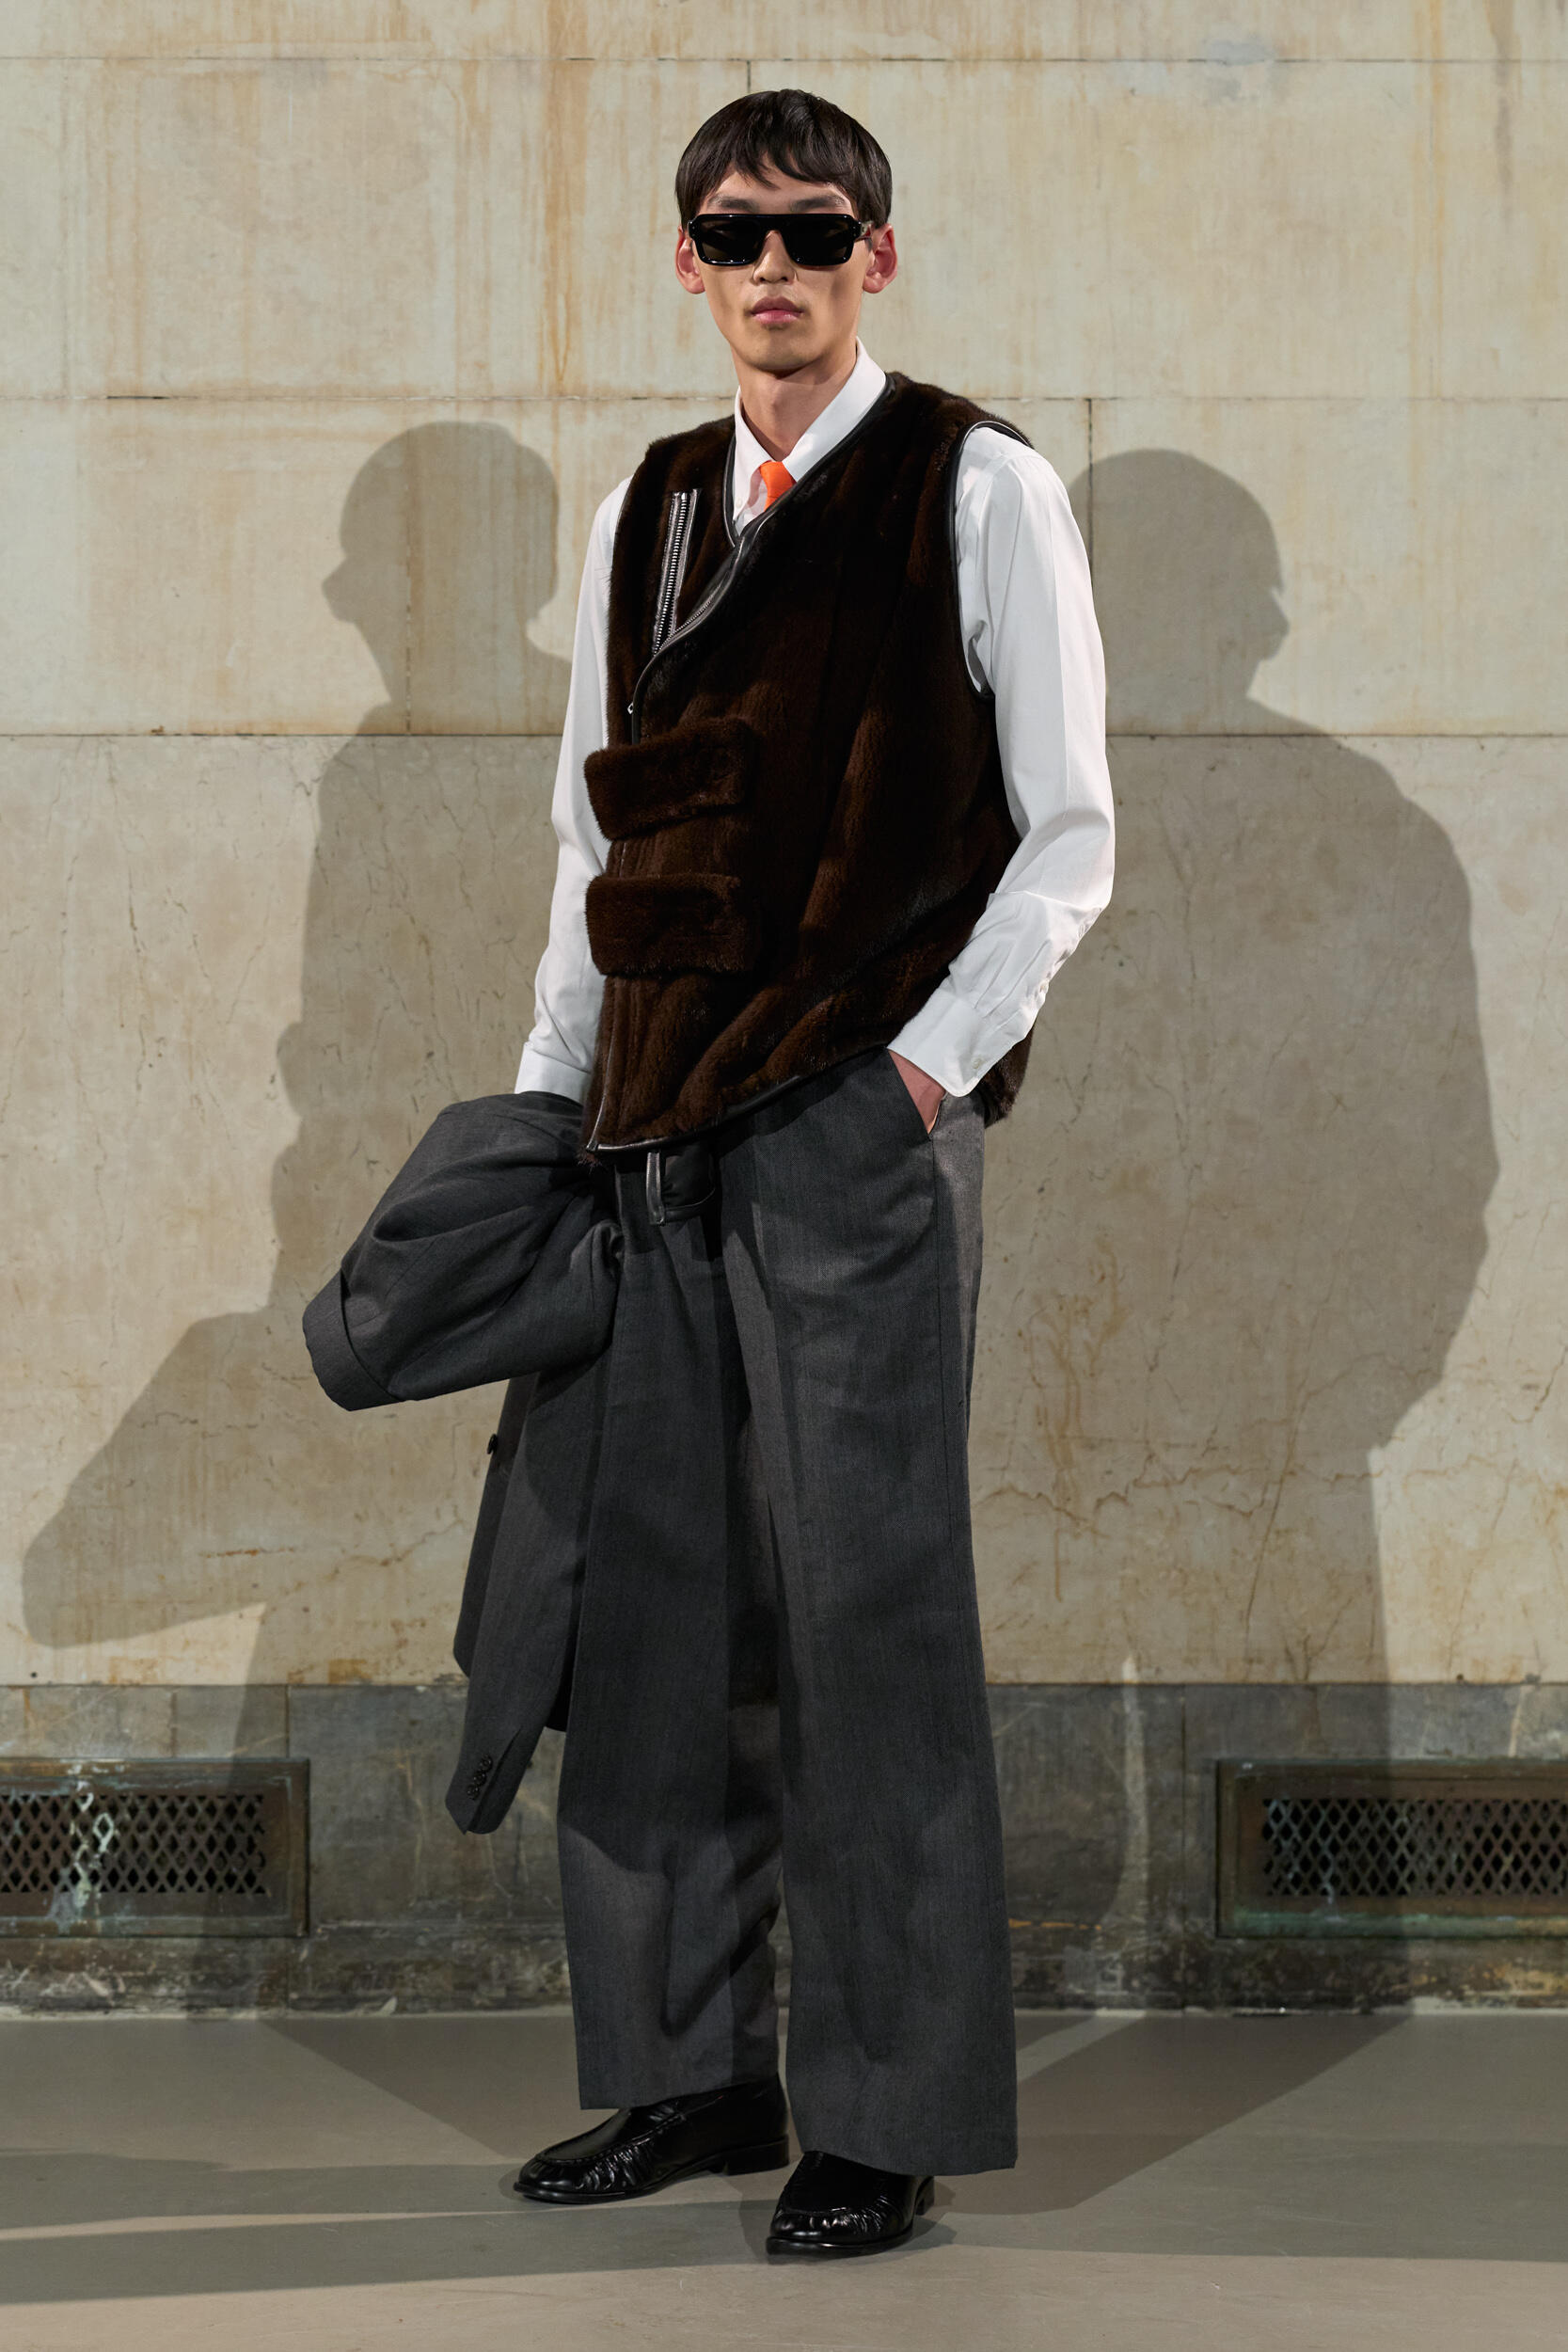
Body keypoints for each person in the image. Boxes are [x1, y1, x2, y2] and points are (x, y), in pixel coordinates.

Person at [510, 87, 1114, 2258]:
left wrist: (922, 1079)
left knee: (871, 1618)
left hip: (859, 1133)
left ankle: (885, 2108)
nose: (775, 264)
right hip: (651, 1129)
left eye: (816, 229)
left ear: (881, 252)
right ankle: (696, 2074)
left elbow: (1070, 835)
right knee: (659, 1617)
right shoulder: (648, 509)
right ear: (686, 259)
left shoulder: (981, 485)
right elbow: (595, 844)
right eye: (735, 230)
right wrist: (551, 1108)